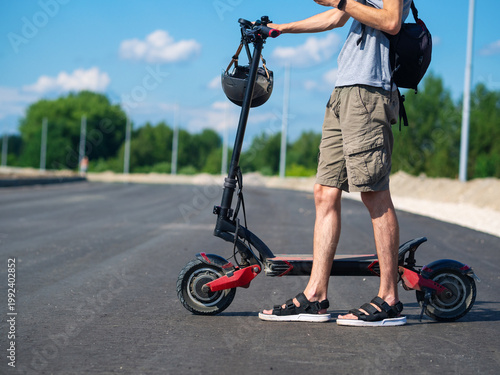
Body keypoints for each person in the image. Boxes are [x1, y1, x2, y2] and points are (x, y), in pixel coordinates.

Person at [259, 0, 412, 327]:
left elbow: (392, 20)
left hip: (369, 93)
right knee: (324, 192)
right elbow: (334, 18)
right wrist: (281, 28)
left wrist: (341, 0)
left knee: (373, 192)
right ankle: (315, 295)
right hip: (343, 91)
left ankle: (388, 297)